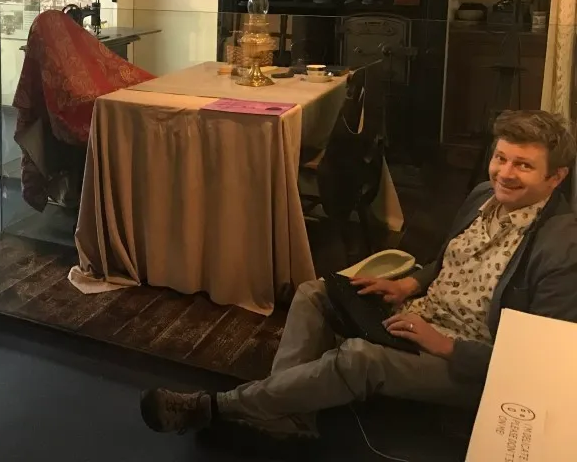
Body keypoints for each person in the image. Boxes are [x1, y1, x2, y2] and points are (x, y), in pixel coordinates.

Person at [141, 109, 577, 441]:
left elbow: (540, 366)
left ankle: (217, 407)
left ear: (556, 177)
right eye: (501, 158)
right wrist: (409, 283)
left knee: (358, 358)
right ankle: (289, 413)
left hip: (467, 362)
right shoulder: (485, 195)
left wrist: (442, 344)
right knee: (315, 293)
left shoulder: (561, 249)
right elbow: (449, 260)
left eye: (523, 165)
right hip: (419, 313)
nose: (504, 173)